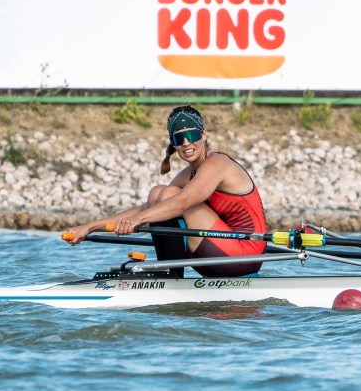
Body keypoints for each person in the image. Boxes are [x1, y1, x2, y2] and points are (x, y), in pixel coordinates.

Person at [64, 105, 267, 277]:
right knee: (157, 193)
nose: (186, 143)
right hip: (218, 253)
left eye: (191, 135)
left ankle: (170, 276)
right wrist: (89, 227)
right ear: (173, 144)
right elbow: (150, 207)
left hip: (245, 254)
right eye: (179, 139)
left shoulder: (218, 163)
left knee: (169, 196)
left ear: (204, 135)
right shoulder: (189, 174)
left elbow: (180, 203)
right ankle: (168, 273)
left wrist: (137, 221)